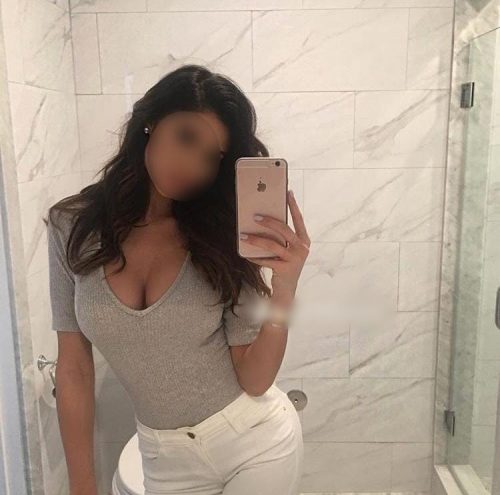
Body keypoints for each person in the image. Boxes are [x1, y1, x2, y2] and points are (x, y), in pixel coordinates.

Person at [45, 64, 310, 495]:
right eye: (186, 137)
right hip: (164, 459)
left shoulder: (219, 235)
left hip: (254, 443)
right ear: (151, 121)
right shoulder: (70, 226)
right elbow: (73, 368)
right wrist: (82, 485)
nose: (193, 167)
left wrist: (285, 288)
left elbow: (255, 379)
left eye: (212, 158)